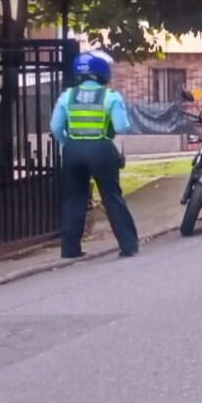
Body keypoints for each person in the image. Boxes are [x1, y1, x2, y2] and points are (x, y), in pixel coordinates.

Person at [51, 51, 139, 258]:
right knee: (111, 196)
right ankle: (128, 246)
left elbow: (55, 127)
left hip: (73, 150)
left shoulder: (67, 95)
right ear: (102, 72)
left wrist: (68, 143)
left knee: (74, 199)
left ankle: (70, 250)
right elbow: (122, 126)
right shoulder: (110, 96)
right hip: (101, 148)